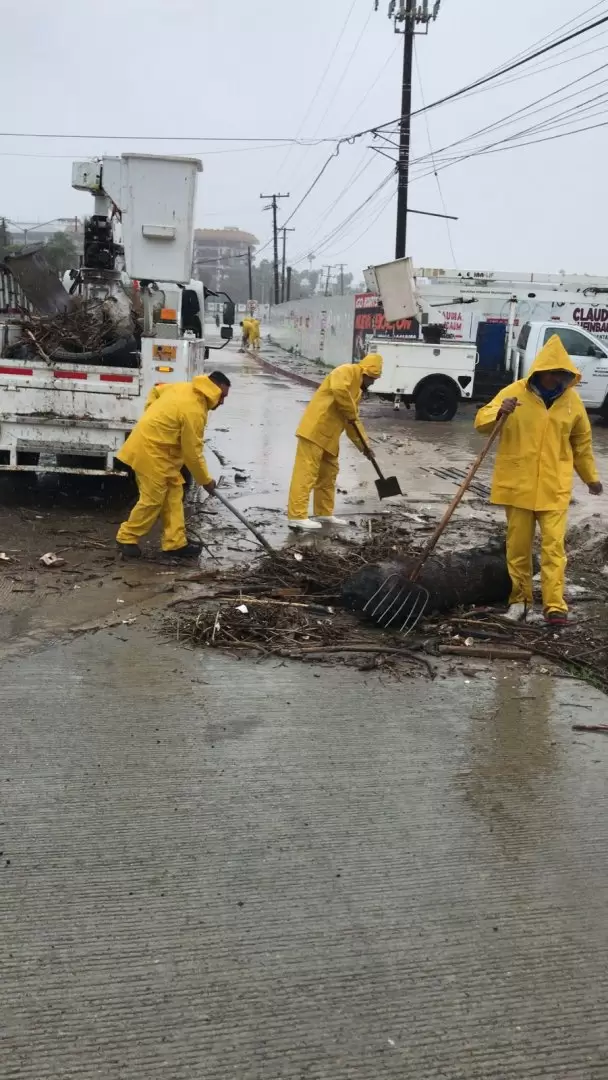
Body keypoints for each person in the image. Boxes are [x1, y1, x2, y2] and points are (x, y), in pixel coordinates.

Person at [475, 335, 602, 626]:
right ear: (542, 371)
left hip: (553, 487)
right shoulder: (513, 393)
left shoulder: (572, 403)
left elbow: (581, 444)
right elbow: (480, 422)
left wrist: (591, 478)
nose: (560, 379)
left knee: (554, 548)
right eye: (556, 373)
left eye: (564, 375)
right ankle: (520, 600)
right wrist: (499, 411)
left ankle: (554, 606)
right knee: (517, 548)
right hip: (517, 485)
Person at [115, 371, 231, 559]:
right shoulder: (195, 410)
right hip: (150, 451)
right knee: (153, 499)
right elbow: (192, 453)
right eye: (222, 397)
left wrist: (153, 417)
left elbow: (156, 391)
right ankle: (126, 538)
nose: (222, 402)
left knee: (173, 495)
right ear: (213, 390)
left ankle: (175, 543)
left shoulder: (182, 387)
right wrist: (206, 481)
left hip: (160, 452)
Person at [287, 353, 383, 530]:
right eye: (372, 379)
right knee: (306, 474)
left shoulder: (357, 392)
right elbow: (340, 392)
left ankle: (324, 513)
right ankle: (297, 515)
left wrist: (365, 447)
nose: (372, 383)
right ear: (366, 373)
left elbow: (352, 423)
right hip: (315, 431)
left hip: (330, 438)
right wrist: (351, 412)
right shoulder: (346, 371)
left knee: (328, 475)